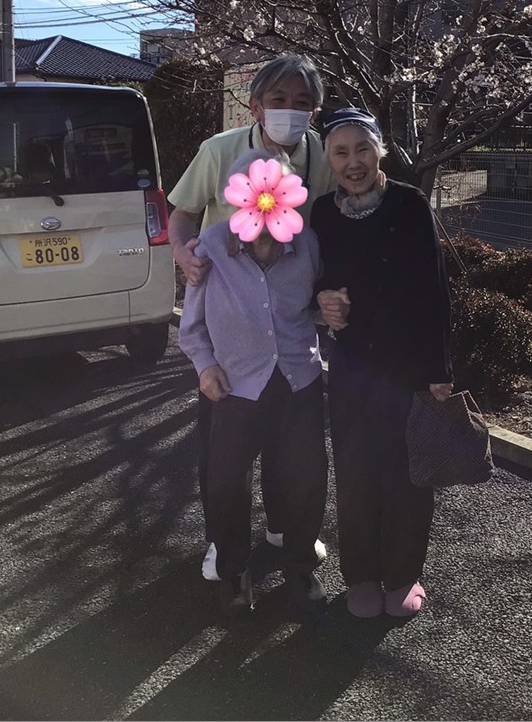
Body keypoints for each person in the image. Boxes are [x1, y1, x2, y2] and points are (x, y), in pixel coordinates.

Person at [167, 54, 333, 580]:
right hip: (229, 312)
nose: (290, 110)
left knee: (293, 445)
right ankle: (222, 542)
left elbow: (329, 229)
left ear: (315, 110)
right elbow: (183, 214)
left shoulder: (323, 155)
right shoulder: (219, 151)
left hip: (289, 305)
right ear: (256, 105)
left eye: (302, 102)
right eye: (278, 100)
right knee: (223, 452)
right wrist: (184, 255)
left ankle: (286, 527)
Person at [311, 107, 454, 619]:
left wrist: (438, 371)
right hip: (352, 366)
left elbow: (435, 288)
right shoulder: (322, 213)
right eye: (341, 153)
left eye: (362, 150)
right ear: (328, 160)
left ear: (380, 152)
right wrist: (322, 299)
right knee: (355, 472)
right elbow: (310, 279)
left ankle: (404, 574)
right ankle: (361, 575)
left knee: (408, 474)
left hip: (407, 366)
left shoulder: (409, 204)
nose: (353, 162)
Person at [178, 150, 328, 616]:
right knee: (226, 483)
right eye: (251, 194)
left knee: (305, 477)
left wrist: (333, 307)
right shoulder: (211, 245)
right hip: (234, 383)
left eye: (275, 194)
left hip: (298, 379)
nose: (263, 205)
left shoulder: (307, 244)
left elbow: (317, 304)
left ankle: (300, 566)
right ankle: (233, 570)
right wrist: (205, 367)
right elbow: (191, 326)